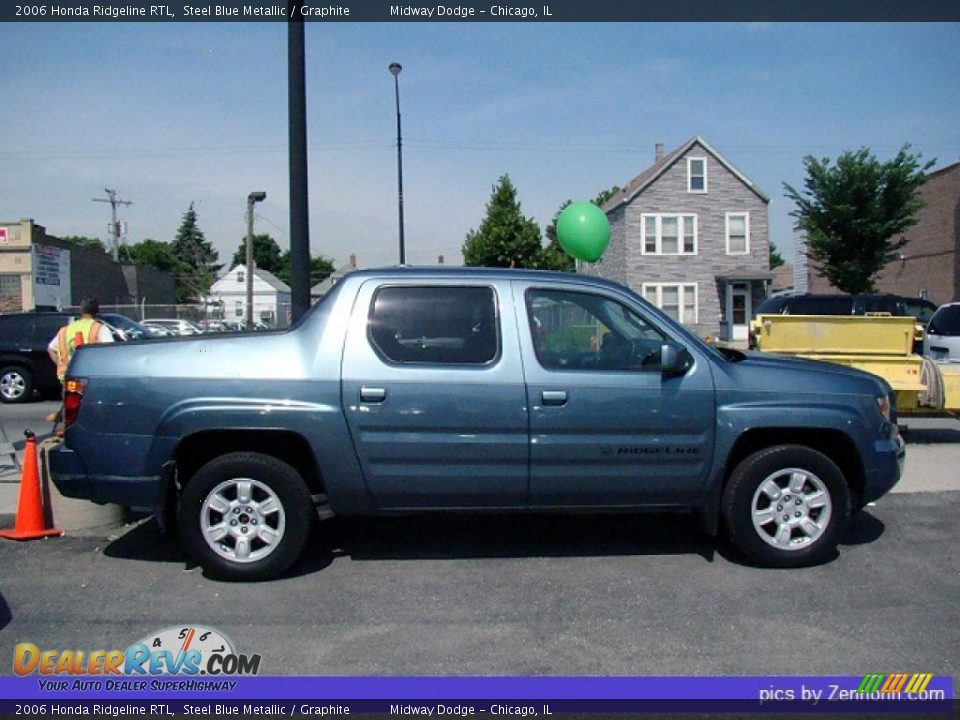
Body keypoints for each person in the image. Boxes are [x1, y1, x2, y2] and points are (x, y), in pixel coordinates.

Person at [46, 298, 113, 423]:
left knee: (71, 414)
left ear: (80, 310)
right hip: (91, 379)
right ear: (97, 311)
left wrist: (61, 364)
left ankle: (69, 435)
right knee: (93, 416)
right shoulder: (99, 329)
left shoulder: (65, 330)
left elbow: (51, 349)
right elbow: (110, 351)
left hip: (70, 378)